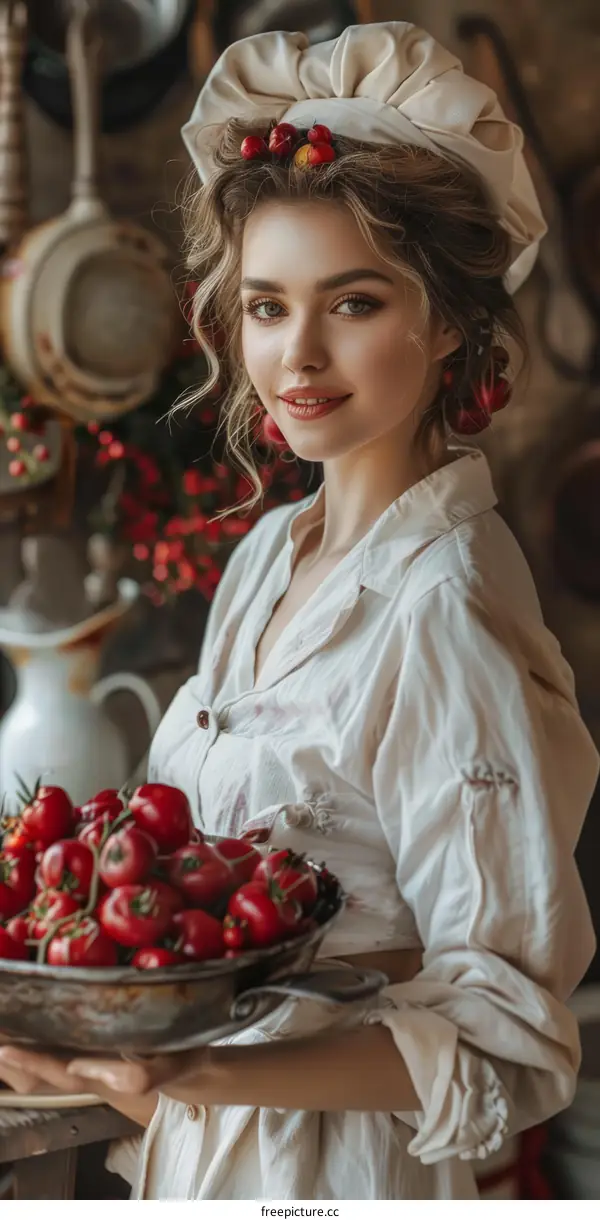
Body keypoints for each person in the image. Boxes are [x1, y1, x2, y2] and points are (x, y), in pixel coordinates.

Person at [0, 21, 597, 1201]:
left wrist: (179, 1071)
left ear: (446, 324)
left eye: (355, 301)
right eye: (267, 306)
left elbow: (507, 1030)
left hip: (334, 1175)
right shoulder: (274, 549)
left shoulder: (447, 604)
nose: (298, 355)